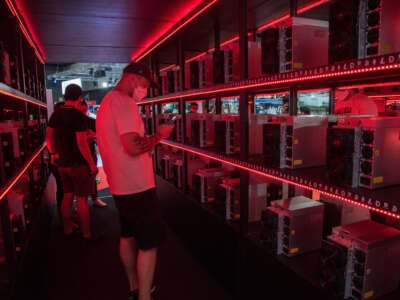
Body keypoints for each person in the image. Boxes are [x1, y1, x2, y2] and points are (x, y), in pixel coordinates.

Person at [96, 63, 174, 300]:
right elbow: (133, 147)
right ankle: (144, 296)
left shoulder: (107, 102)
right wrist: (160, 135)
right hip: (136, 185)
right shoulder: (123, 102)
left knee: (128, 235)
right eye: (145, 85)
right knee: (149, 243)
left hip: (120, 185)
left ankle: (134, 286)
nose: (145, 90)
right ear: (132, 78)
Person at [46, 84, 98, 239]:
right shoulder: (78, 116)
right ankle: (87, 234)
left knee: (67, 195)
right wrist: (92, 163)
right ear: (80, 97)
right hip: (78, 164)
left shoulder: (55, 115)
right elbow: (82, 143)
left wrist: (54, 153)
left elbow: (48, 138)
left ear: (65, 96)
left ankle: (68, 229)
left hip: (62, 163)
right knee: (81, 199)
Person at [76, 100, 107, 208]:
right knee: (79, 178)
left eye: (84, 108)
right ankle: (80, 203)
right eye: (81, 109)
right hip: (76, 154)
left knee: (93, 175)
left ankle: (95, 198)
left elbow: (98, 135)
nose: (83, 110)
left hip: (90, 151)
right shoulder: (73, 122)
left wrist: (90, 137)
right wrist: (88, 137)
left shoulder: (91, 121)